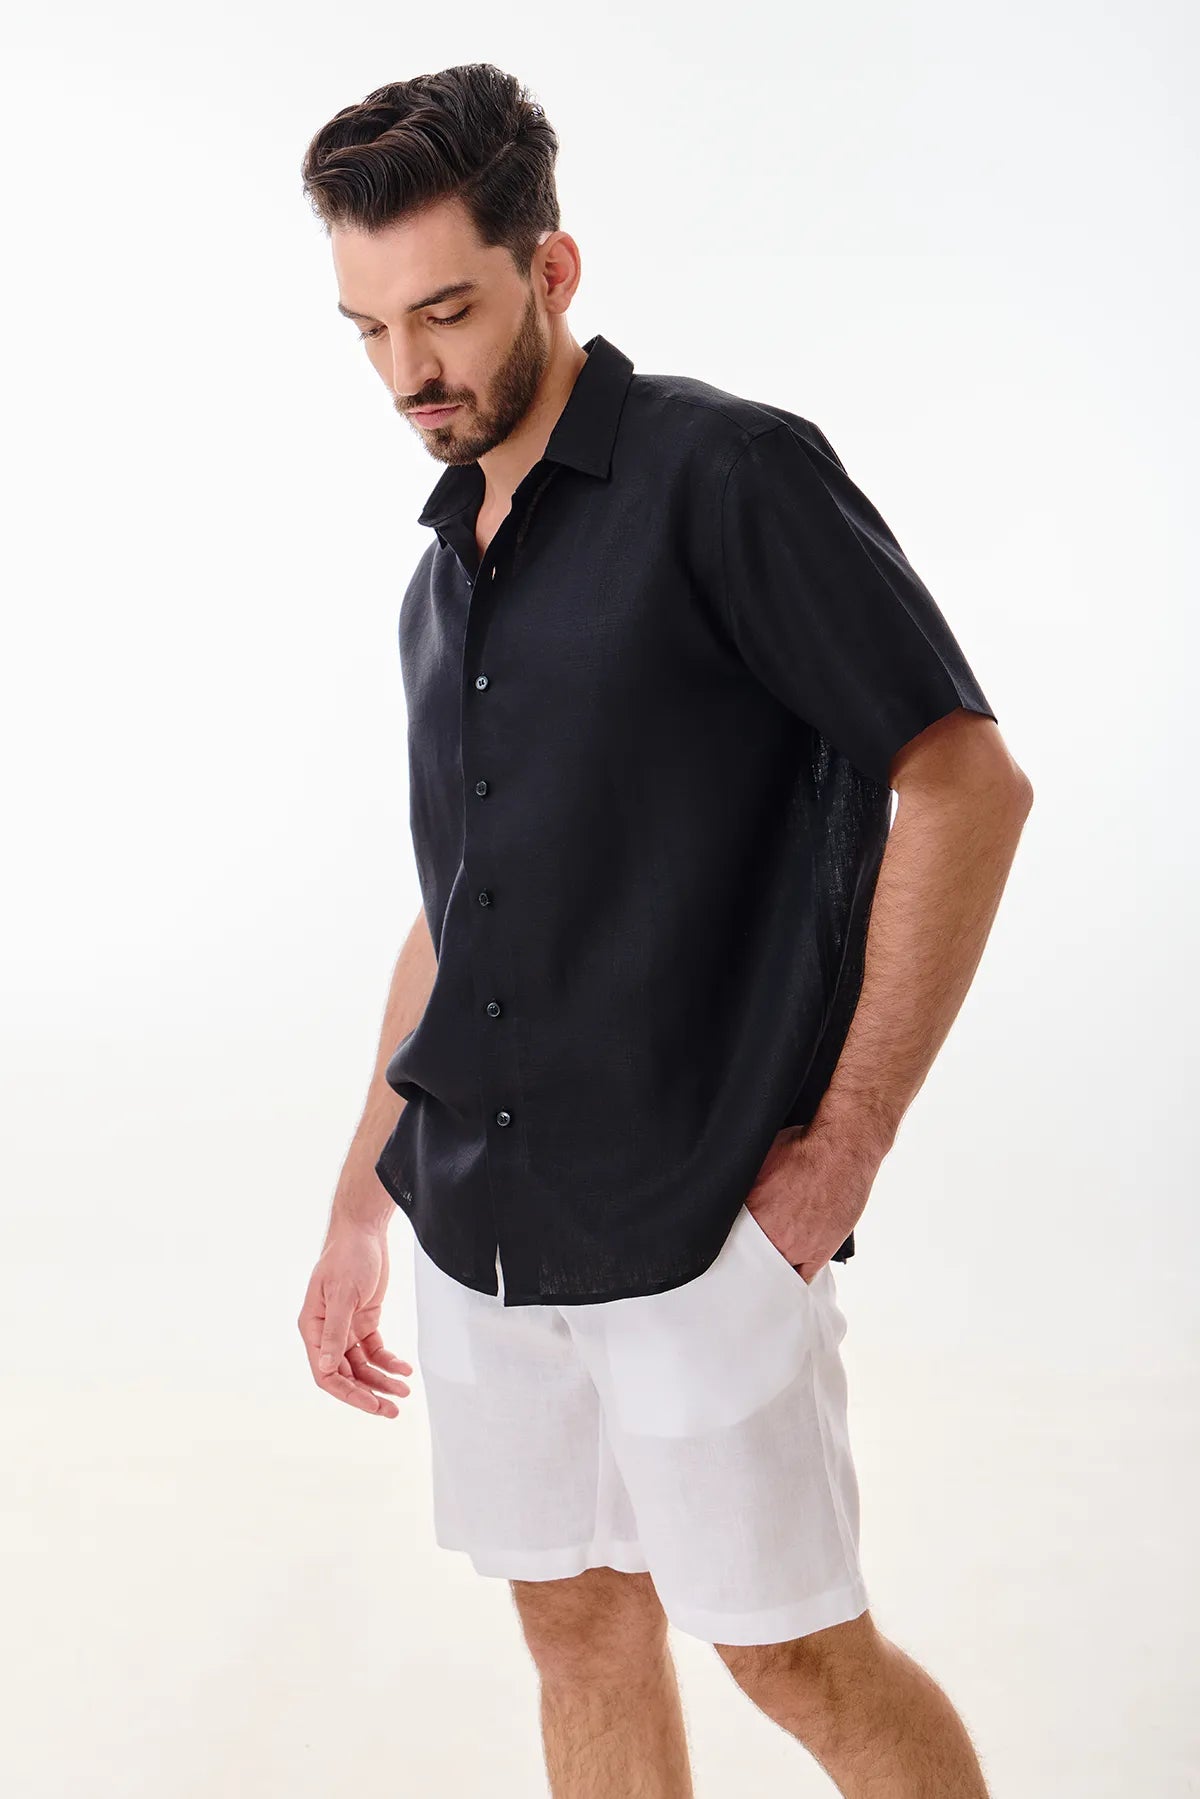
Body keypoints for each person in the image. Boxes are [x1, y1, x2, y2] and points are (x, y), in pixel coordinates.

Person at [295, 61, 1031, 1799]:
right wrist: (356, 1204)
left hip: (700, 1223)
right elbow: (462, 913)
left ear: (552, 270)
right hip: (481, 1229)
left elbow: (965, 786)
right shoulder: (444, 573)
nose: (408, 373)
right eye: (369, 329)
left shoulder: (731, 476)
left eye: (447, 312)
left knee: (796, 1657)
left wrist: (844, 1149)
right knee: (575, 1636)